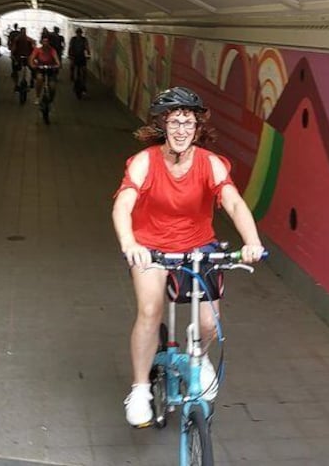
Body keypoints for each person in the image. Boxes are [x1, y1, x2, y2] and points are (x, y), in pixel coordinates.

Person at [111, 87, 265, 428]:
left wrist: (251, 241)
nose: (182, 129)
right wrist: (129, 243)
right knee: (150, 310)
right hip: (150, 247)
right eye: (175, 121)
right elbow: (123, 204)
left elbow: (233, 202)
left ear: (198, 128)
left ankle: (200, 357)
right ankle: (139, 390)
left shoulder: (209, 163)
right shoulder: (144, 162)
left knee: (210, 322)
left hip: (198, 247)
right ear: (162, 125)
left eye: (189, 122)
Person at [28, 36, 61, 105]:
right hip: (40, 69)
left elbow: (57, 61)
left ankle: (51, 99)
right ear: (41, 42)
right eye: (44, 41)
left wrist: (56, 65)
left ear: (49, 42)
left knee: (52, 86)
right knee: (39, 79)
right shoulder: (37, 50)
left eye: (47, 41)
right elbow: (32, 59)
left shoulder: (52, 50)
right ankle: (37, 96)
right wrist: (33, 65)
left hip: (50, 69)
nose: (45, 43)